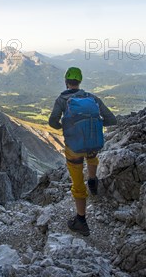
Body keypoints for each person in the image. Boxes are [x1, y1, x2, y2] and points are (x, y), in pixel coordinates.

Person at [48, 67, 117, 235]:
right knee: (92, 157)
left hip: (74, 147)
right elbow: (111, 119)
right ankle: (93, 181)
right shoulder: (92, 98)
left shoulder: (62, 100)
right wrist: (94, 126)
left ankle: (81, 220)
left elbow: (52, 122)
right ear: (80, 81)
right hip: (93, 143)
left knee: (77, 180)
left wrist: (68, 128)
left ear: (66, 81)